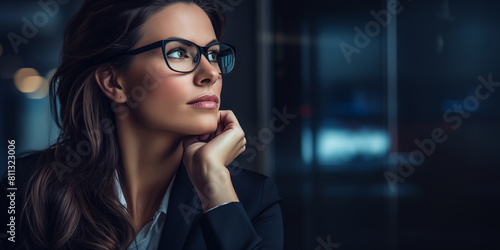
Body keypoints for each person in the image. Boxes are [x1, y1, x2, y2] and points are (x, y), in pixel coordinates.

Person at [0, 0, 283, 249]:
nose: (210, 72)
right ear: (114, 82)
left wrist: (214, 186)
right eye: (178, 53)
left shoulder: (250, 199)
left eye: (212, 54)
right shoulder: (24, 188)